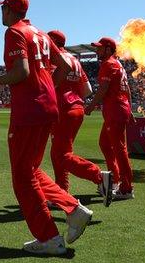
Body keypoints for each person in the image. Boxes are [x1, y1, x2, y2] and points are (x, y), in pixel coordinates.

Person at [0, 0, 93, 256]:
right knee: (31, 169)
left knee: (22, 178)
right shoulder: (42, 34)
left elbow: (21, 71)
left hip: (28, 111)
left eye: (3, 9)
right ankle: (73, 209)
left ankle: (50, 237)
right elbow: (63, 65)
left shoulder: (14, 32)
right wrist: (47, 87)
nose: (1, 13)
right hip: (47, 108)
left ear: (10, 10)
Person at [47, 30, 113, 207]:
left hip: (62, 110)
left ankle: (99, 176)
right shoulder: (74, 60)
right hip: (76, 108)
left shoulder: (53, 59)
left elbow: (49, 85)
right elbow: (88, 89)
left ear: (52, 41)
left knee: (61, 155)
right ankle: (61, 192)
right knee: (58, 153)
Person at [84, 37, 136, 200]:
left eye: (100, 48)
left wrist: (91, 106)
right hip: (119, 109)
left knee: (120, 149)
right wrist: (130, 109)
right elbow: (126, 88)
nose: (97, 51)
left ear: (108, 49)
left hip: (115, 110)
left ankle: (126, 188)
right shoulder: (118, 64)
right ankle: (115, 180)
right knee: (105, 144)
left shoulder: (108, 64)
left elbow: (103, 90)